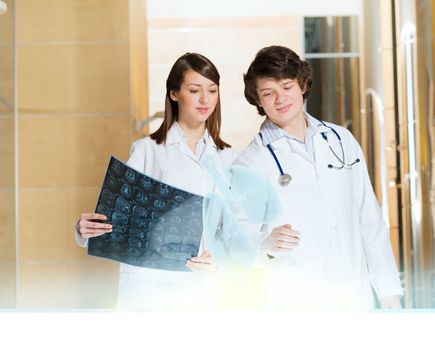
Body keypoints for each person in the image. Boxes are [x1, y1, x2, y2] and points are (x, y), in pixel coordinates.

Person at [234, 45, 403, 310]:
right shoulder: (250, 163)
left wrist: (389, 294)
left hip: (357, 299)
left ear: (302, 85)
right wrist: (266, 245)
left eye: (287, 86)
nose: (281, 99)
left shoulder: (340, 140)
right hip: (299, 306)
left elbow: (369, 221)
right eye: (269, 93)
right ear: (257, 100)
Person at [75, 52, 237, 310]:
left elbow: (236, 229)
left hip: (203, 287)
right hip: (150, 289)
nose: (205, 99)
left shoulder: (228, 158)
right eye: (195, 90)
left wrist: (219, 258)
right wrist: (86, 231)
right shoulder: (147, 150)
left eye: (212, 90)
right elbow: (120, 219)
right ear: (174, 94)